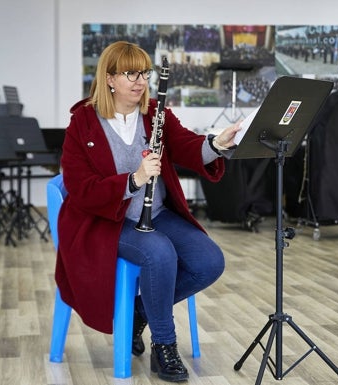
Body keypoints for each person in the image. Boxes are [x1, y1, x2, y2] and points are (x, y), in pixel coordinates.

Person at [55, 41, 241, 382]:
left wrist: (215, 143)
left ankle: (140, 310)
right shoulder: (82, 123)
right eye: (130, 73)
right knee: (159, 254)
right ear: (109, 78)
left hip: (155, 214)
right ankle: (165, 346)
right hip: (106, 221)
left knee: (209, 261)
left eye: (144, 73)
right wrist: (134, 179)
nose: (140, 81)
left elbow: (185, 145)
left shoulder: (155, 112)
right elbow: (81, 189)